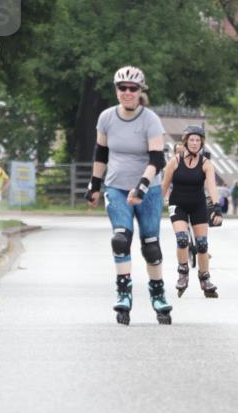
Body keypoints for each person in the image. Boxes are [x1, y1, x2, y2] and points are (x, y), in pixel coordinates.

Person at [87, 66, 172, 325]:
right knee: (121, 239)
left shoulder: (150, 120)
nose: (127, 92)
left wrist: (142, 187)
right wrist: (94, 186)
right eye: (121, 88)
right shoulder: (106, 118)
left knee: (151, 245)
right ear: (116, 90)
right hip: (117, 187)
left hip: (149, 189)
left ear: (140, 91)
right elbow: (101, 153)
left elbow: (157, 158)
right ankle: (124, 293)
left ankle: (157, 294)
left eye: (132, 88)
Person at [161, 125, 222, 299]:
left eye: (198, 140)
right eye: (191, 140)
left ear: (201, 143)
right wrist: (154, 204)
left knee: (202, 244)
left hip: (198, 205)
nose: (194, 143)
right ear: (186, 141)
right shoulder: (175, 161)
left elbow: (211, 186)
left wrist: (216, 207)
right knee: (182, 239)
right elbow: (164, 185)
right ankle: (183, 273)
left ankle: (205, 278)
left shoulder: (206, 163)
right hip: (177, 204)